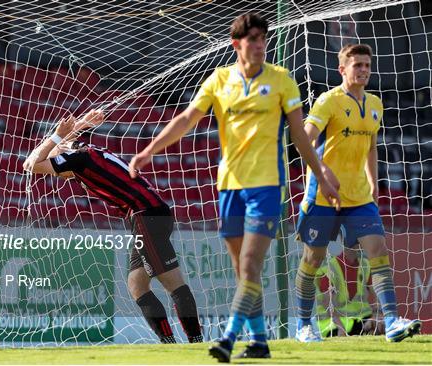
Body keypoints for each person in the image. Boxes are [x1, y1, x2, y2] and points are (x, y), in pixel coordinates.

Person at [129, 12, 340, 361]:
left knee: (251, 263)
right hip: (229, 188)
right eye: (253, 39)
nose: (260, 45)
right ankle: (258, 341)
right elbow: (186, 119)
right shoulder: (219, 79)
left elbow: (300, 137)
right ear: (236, 44)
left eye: (263, 39)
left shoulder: (283, 80)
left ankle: (229, 336)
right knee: (241, 269)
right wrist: (150, 150)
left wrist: (320, 175)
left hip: (268, 187)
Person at [23, 110, 203, 344]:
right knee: (137, 285)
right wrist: (84, 122)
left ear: (64, 152)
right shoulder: (89, 155)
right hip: (150, 213)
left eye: (55, 160)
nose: (58, 174)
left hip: (145, 215)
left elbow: (30, 164)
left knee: (172, 283)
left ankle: (196, 343)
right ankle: (169, 344)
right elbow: (64, 146)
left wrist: (56, 137)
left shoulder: (78, 158)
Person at [294, 43, 421, 343]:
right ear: (343, 69)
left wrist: (374, 183)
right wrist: (323, 172)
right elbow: (303, 140)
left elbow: (372, 147)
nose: (363, 70)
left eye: (367, 65)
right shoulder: (328, 101)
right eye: (357, 65)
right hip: (323, 197)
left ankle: (391, 322)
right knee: (312, 261)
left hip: (360, 198)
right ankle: (303, 325)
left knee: (378, 252)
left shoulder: (376, 104)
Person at [315, 245, 384, 338]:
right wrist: (340, 327)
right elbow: (326, 303)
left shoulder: (365, 265)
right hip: (333, 323)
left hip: (359, 321)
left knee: (382, 325)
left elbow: (375, 294)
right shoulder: (329, 267)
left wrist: (376, 316)